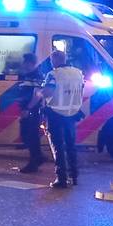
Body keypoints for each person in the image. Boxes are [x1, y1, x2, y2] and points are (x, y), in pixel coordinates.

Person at [42, 49, 84, 188]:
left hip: (56, 114)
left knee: (58, 147)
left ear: (54, 60)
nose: (51, 63)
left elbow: (48, 91)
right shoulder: (78, 73)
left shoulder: (53, 74)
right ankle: (74, 176)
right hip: (72, 113)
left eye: (51, 60)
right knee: (71, 146)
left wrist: (39, 93)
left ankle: (61, 179)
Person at [16, 53, 47, 173]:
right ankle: (38, 157)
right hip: (28, 109)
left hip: (32, 110)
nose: (23, 64)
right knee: (28, 135)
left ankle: (34, 162)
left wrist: (28, 108)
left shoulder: (36, 76)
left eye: (24, 62)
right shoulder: (28, 75)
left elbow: (37, 95)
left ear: (30, 63)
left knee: (30, 136)